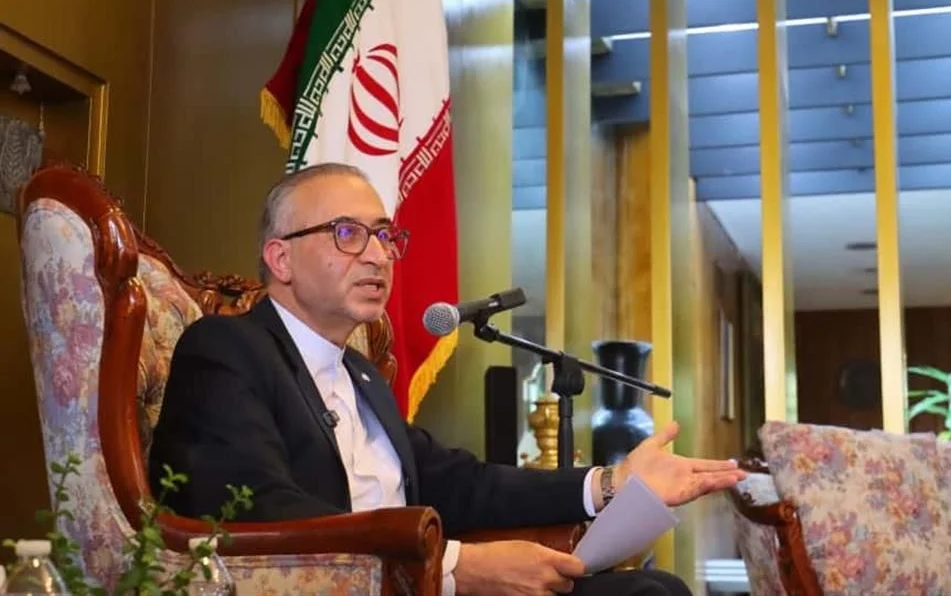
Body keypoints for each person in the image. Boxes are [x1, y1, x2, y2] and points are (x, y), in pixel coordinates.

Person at [149, 163, 747, 596]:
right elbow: (258, 509)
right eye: (347, 233)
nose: (379, 256)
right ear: (280, 259)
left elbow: (462, 483)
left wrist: (609, 483)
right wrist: (455, 566)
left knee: (655, 589)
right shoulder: (226, 349)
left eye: (385, 236)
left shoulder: (360, 374)